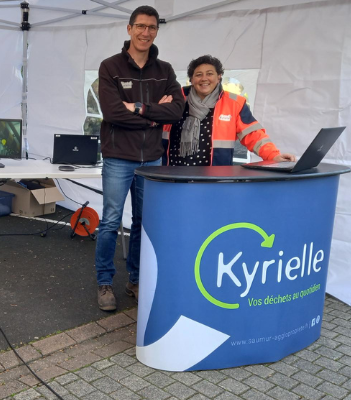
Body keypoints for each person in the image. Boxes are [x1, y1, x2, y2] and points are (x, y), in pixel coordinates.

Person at [95, 5, 184, 311]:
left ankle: (135, 279)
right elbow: (112, 112)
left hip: (152, 160)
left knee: (144, 223)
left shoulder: (166, 70)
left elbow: (177, 110)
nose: (146, 32)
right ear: (129, 28)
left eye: (152, 27)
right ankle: (104, 282)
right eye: (141, 26)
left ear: (157, 31)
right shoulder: (110, 67)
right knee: (109, 222)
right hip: (119, 157)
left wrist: (138, 108)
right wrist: (153, 115)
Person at [164, 55, 295, 166]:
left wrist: (274, 156)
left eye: (210, 74)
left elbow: (253, 135)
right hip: (172, 174)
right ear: (191, 79)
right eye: (198, 75)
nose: (204, 78)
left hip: (214, 178)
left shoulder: (234, 103)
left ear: (219, 76)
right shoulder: (175, 99)